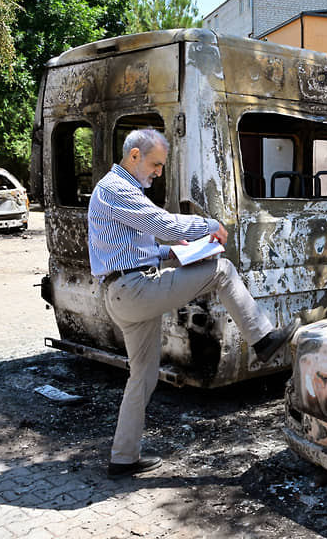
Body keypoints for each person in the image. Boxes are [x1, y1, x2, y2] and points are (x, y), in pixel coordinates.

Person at [87, 128, 298, 477]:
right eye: (155, 164)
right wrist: (209, 225)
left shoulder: (120, 191)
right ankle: (263, 339)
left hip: (126, 290)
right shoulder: (116, 188)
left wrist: (172, 251)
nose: (158, 172)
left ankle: (123, 458)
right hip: (133, 289)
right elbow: (163, 223)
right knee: (222, 270)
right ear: (135, 156)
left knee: (142, 376)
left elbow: (139, 245)